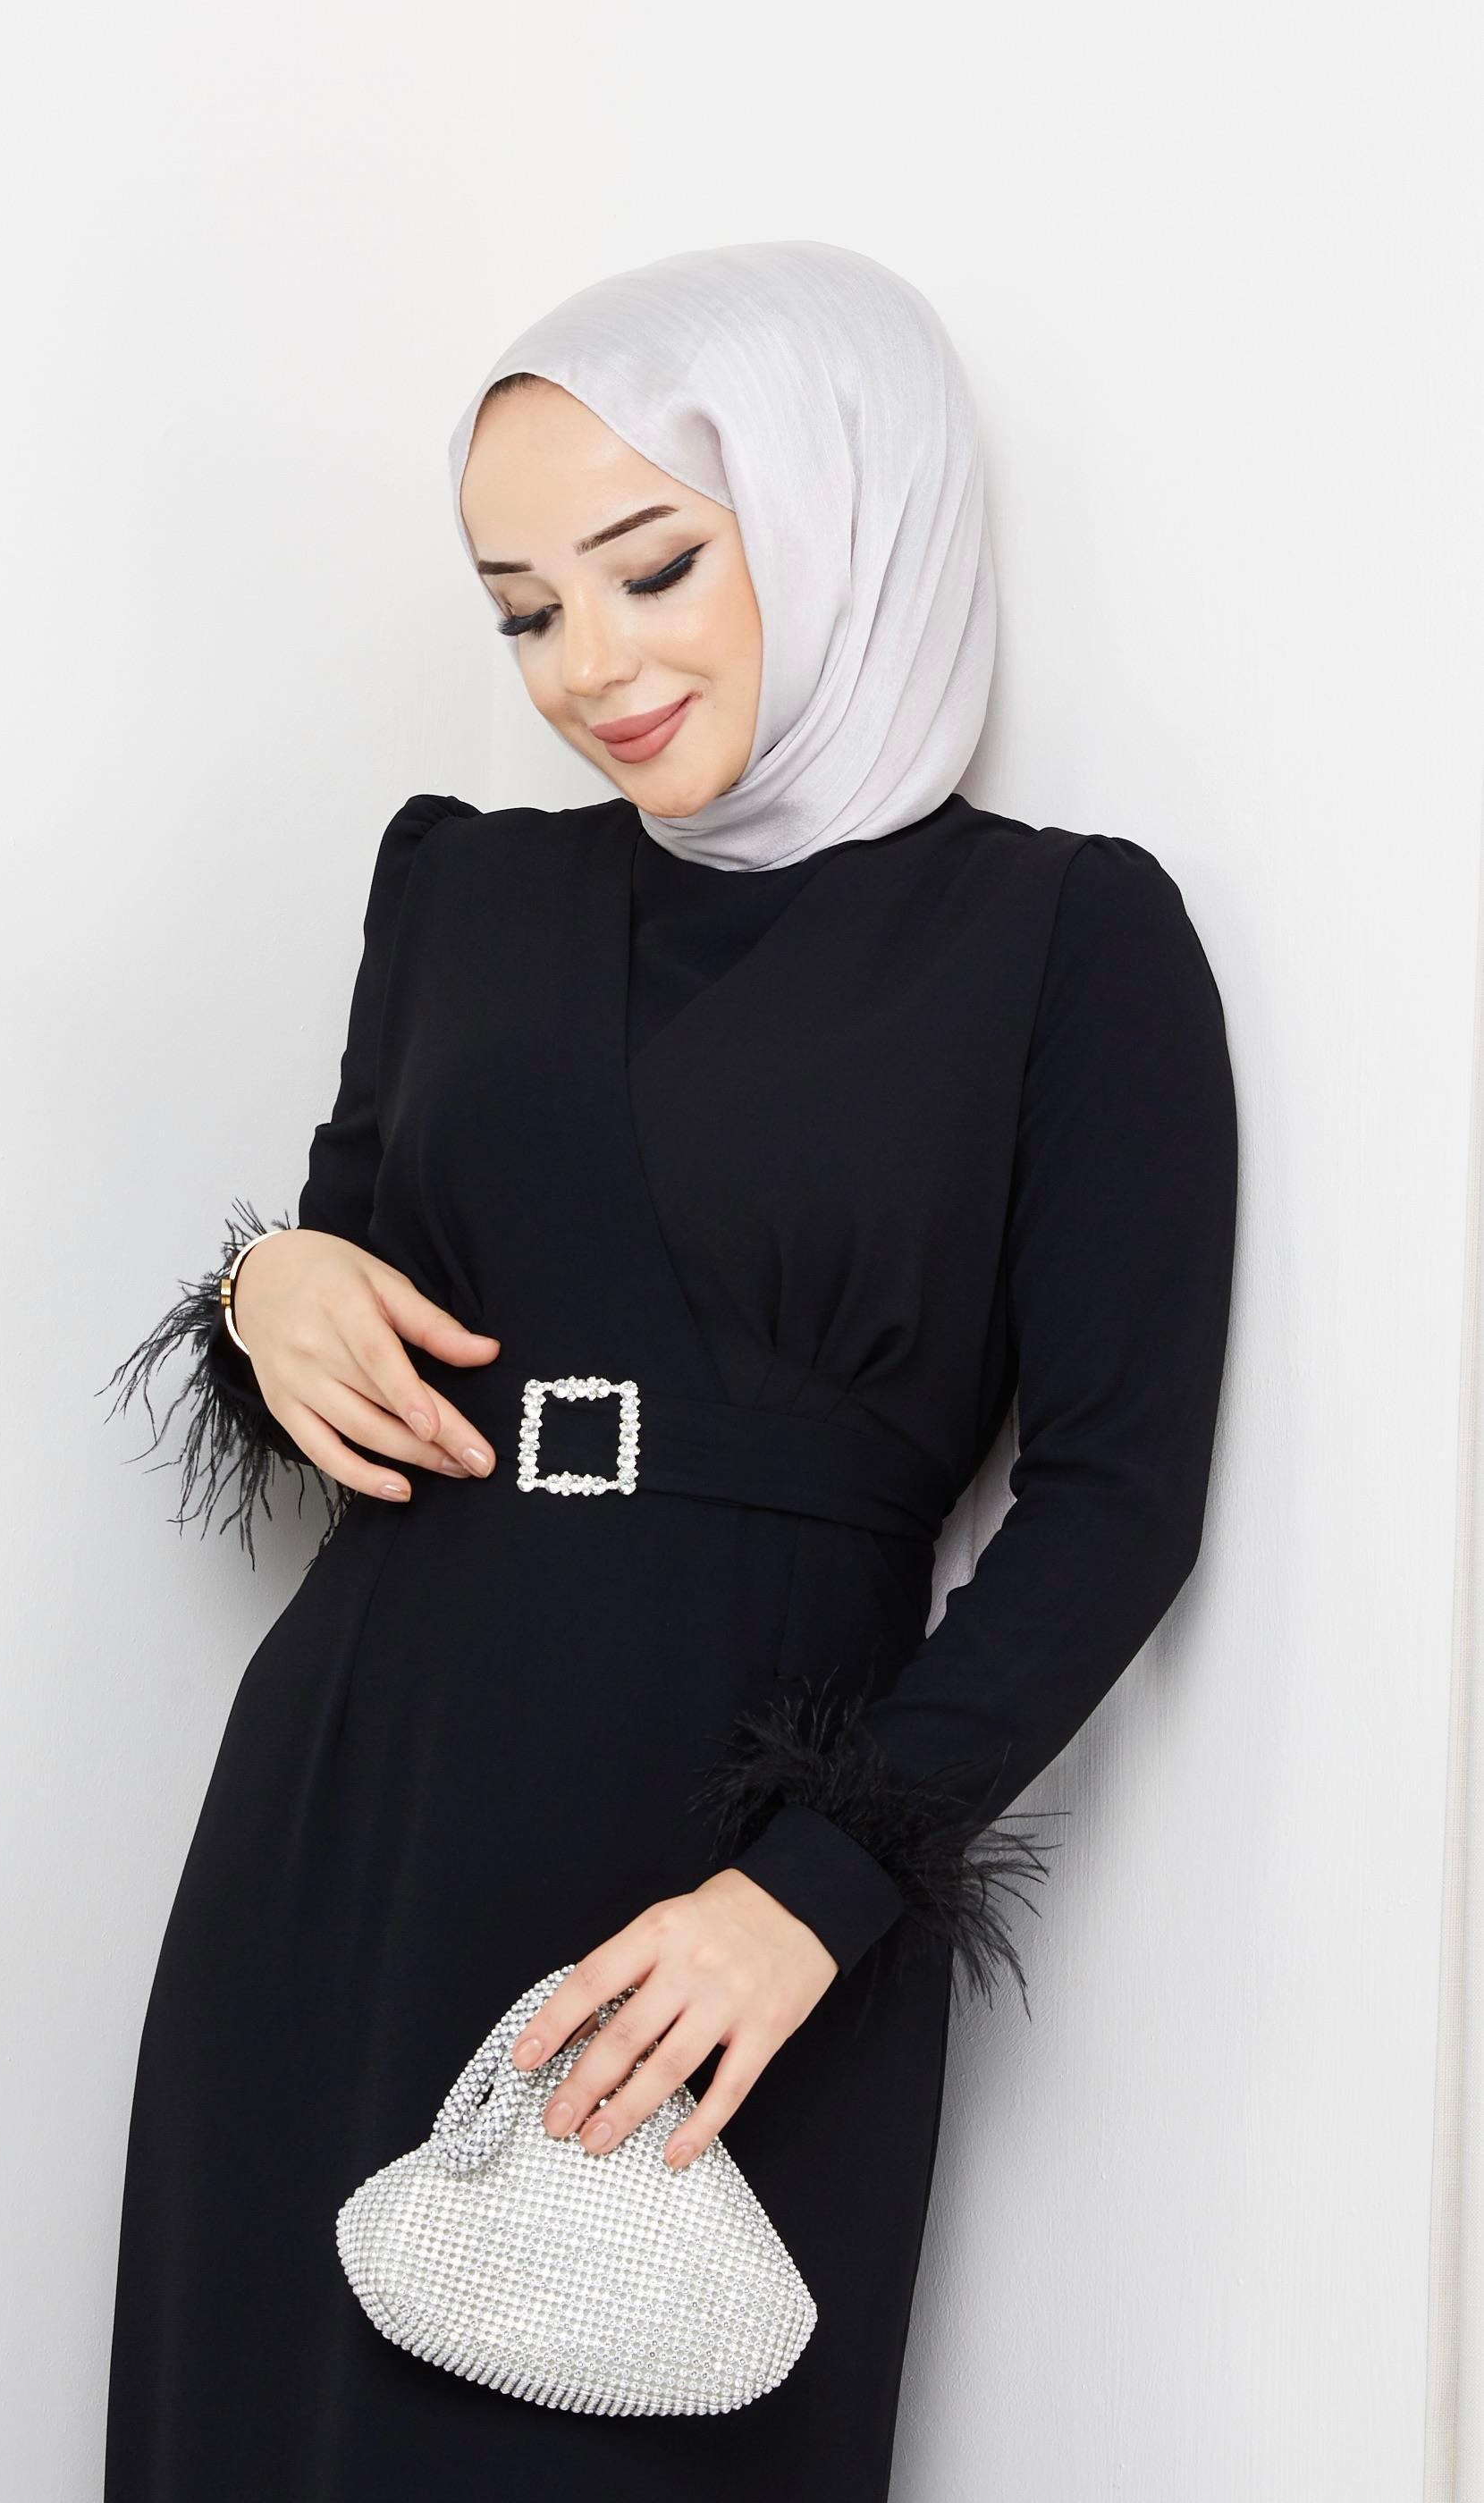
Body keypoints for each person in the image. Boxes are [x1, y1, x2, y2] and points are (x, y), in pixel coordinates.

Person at [99, 239, 1237, 2500]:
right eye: (523, 613)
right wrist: (270, 1291)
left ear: (840, 514)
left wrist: (810, 1892)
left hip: (719, 1888)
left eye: (651, 569)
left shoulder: (1064, 938)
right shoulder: (457, 886)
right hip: (356, 1799)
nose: (587, 668)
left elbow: (1118, 1499)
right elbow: (368, 1260)